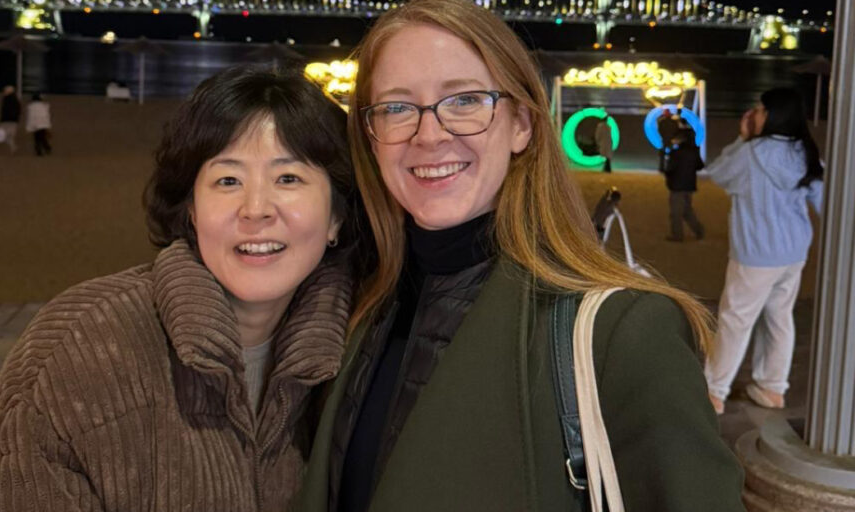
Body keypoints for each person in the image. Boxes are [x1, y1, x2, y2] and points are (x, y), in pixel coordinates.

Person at [292, 0, 745, 510]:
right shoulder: (359, 308)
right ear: (370, 136)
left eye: (463, 100)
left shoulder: (621, 333)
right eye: (397, 107)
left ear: (521, 124)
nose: (429, 134)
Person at [0, 66, 366, 511]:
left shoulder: (364, 350)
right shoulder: (83, 345)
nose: (256, 209)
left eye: (289, 179)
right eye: (228, 180)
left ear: (336, 217)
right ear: (190, 210)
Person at [703, 88, 824, 415]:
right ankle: (772, 388)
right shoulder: (805, 152)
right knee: (779, 318)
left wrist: (742, 139)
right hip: (794, 251)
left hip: (756, 253)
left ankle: (714, 391)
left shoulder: (752, 153)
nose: (753, 113)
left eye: (759, 108)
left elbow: (717, 173)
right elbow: (824, 198)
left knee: (735, 320)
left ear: (772, 115)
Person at [662, 123, 706, 242]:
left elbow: (669, 169)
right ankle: (699, 230)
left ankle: (677, 235)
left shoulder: (676, 153)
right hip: (689, 185)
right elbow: (700, 166)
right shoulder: (693, 152)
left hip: (677, 185)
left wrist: (668, 176)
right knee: (687, 210)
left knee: (676, 212)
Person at [26, 92, 52, 156]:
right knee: (42, 137)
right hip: (43, 124)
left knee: (37, 138)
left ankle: (39, 151)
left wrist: (28, 127)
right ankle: (47, 148)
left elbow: (30, 117)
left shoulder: (31, 107)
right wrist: (48, 125)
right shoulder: (44, 106)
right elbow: (47, 116)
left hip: (35, 125)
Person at [0, 85, 21, 153]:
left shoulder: (6, 99)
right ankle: (13, 147)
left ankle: (13, 147)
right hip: (13, 120)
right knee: (9, 136)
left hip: (6, 120)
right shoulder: (16, 100)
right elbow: (18, 110)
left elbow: (4, 110)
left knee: (3, 135)